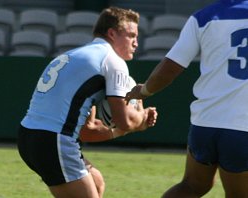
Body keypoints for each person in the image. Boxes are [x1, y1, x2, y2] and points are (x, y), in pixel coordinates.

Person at [17, 6, 157, 198]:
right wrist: (141, 116)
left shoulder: (76, 54)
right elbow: (125, 121)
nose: (136, 43)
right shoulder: (113, 61)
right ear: (112, 33)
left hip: (28, 137)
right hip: (54, 139)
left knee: (96, 182)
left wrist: (117, 129)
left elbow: (87, 131)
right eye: (131, 35)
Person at [126, 0, 248, 197]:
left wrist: (144, 91)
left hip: (204, 123)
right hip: (243, 127)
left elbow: (170, 68)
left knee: (192, 186)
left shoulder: (203, 17)